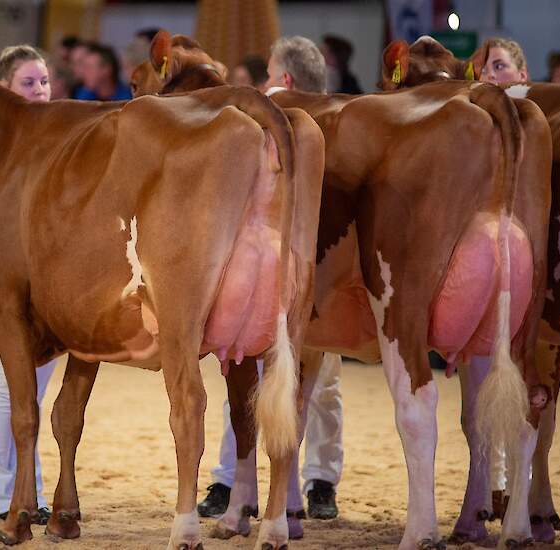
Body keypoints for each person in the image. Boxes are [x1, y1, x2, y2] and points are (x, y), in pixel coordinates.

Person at [198, 35, 344, 522]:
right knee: (317, 383)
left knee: (247, 372)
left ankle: (235, 482)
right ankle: (314, 484)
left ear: (283, 81)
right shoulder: (337, 119)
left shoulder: (260, 119)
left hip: (274, 258)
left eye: (267, 78)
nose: (262, 86)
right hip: (322, 266)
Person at [0, 44, 58, 524]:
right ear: (4, 89)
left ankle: (32, 492)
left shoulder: (55, 133)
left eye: (44, 81)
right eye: (28, 83)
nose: (40, 90)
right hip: (1, 272)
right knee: (8, 387)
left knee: (33, 394)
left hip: (46, 274)